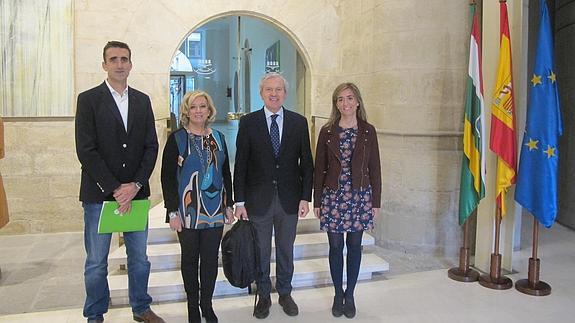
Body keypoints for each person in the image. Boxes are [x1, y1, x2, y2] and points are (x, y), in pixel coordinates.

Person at [75, 41, 164, 323]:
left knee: (139, 259)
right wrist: (115, 187)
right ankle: (95, 314)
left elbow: (151, 145)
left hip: (136, 195)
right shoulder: (88, 100)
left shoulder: (142, 100)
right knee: (96, 263)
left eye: (124, 59)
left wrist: (135, 185)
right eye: (113, 59)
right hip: (99, 195)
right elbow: (86, 150)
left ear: (131, 64)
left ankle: (141, 307)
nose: (119, 64)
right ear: (104, 64)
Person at [234, 72, 314, 319]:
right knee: (260, 251)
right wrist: (239, 201)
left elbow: (307, 164)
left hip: (289, 199)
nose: (274, 93)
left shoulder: (298, 122)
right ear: (261, 93)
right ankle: (264, 295)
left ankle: (285, 293)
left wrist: (305, 197)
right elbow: (241, 164)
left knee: (285, 250)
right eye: (269, 89)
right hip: (258, 199)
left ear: (285, 93)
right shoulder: (248, 122)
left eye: (279, 89)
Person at [161, 90, 234, 323]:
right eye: (194, 107)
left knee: (211, 259)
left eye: (203, 106)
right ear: (187, 111)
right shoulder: (177, 139)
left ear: (209, 110)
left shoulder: (220, 138)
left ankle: (207, 305)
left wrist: (229, 204)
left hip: (214, 211)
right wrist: (172, 211)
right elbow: (167, 178)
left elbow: (226, 173)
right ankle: (193, 307)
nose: (199, 111)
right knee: (190, 260)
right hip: (188, 211)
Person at [313, 83, 381, 319]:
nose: (345, 103)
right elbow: (319, 167)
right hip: (333, 196)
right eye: (340, 99)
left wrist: (376, 202)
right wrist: (317, 201)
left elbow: (375, 168)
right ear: (336, 104)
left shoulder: (367, 131)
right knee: (335, 247)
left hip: (360, 196)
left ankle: (350, 294)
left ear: (358, 102)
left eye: (350, 98)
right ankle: (337, 293)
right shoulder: (328, 130)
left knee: (354, 247)